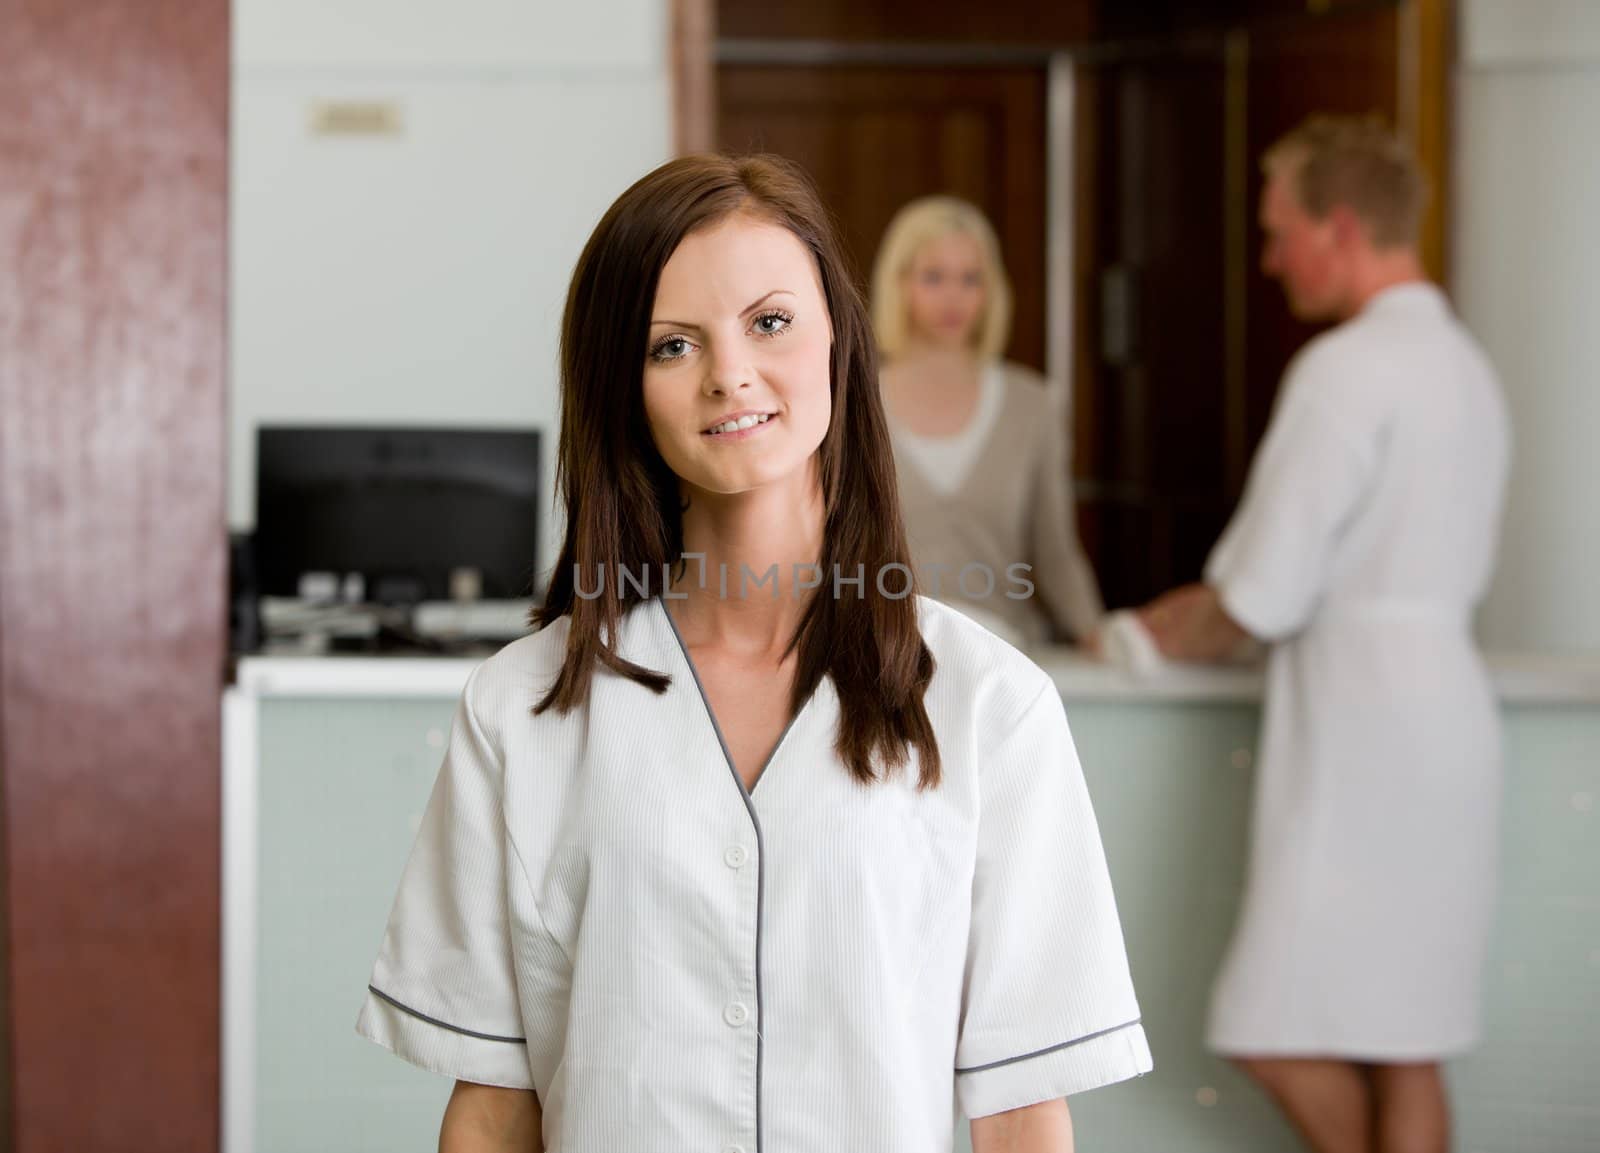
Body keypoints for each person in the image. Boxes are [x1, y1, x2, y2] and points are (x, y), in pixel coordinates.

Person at [354, 153, 1152, 1153]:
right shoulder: (521, 709)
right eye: (671, 345)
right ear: (621, 387)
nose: (730, 371)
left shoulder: (991, 705)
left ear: (837, 342)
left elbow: (1024, 1116)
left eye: (768, 322)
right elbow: (491, 1109)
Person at [1139, 117, 1510, 1153]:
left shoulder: (1345, 371)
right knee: (1409, 1038)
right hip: (1447, 719)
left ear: (1338, 228)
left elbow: (1255, 594)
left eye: (1277, 231)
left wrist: (1149, 632)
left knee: (1272, 1028)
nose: (1268, 260)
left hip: (1366, 737)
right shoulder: (1465, 368)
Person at [871, 196, 1104, 650]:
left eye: (970, 279)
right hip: (884, 658)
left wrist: (1097, 637)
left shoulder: (1032, 405)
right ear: (899, 283)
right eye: (934, 277)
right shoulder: (853, 402)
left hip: (1005, 657)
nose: (953, 297)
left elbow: (1055, 551)